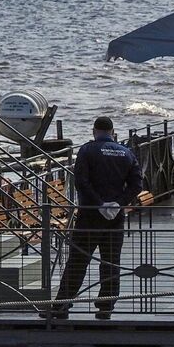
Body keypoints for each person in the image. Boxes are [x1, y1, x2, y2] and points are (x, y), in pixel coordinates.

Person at [50, 115, 143, 319]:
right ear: (112, 132)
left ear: (94, 131)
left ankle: (61, 305)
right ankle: (106, 307)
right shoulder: (126, 153)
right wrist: (118, 203)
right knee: (110, 261)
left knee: (77, 261)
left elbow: (81, 182)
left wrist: (99, 204)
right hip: (115, 217)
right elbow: (137, 184)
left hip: (90, 216)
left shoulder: (87, 150)